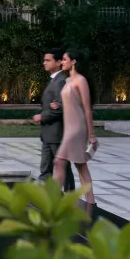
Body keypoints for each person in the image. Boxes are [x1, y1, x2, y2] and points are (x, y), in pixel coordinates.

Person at [53, 49, 98, 205]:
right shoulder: (67, 82)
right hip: (68, 129)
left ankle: (52, 199)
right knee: (80, 165)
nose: (62, 62)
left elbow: (86, 108)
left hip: (78, 129)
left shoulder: (81, 80)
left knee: (59, 161)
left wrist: (91, 135)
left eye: (65, 59)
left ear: (73, 61)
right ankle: (91, 202)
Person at [34, 48, 75, 191]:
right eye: (44, 60)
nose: (44, 63)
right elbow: (54, 105)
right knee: (45, 169)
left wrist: (42, 116)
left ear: (58, 62)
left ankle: (70, 196)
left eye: (48, 60)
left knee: (62, 166)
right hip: (48, 133)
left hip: (56, 133)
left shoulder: (60, 81)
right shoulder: (54, 80)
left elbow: (61, 107)